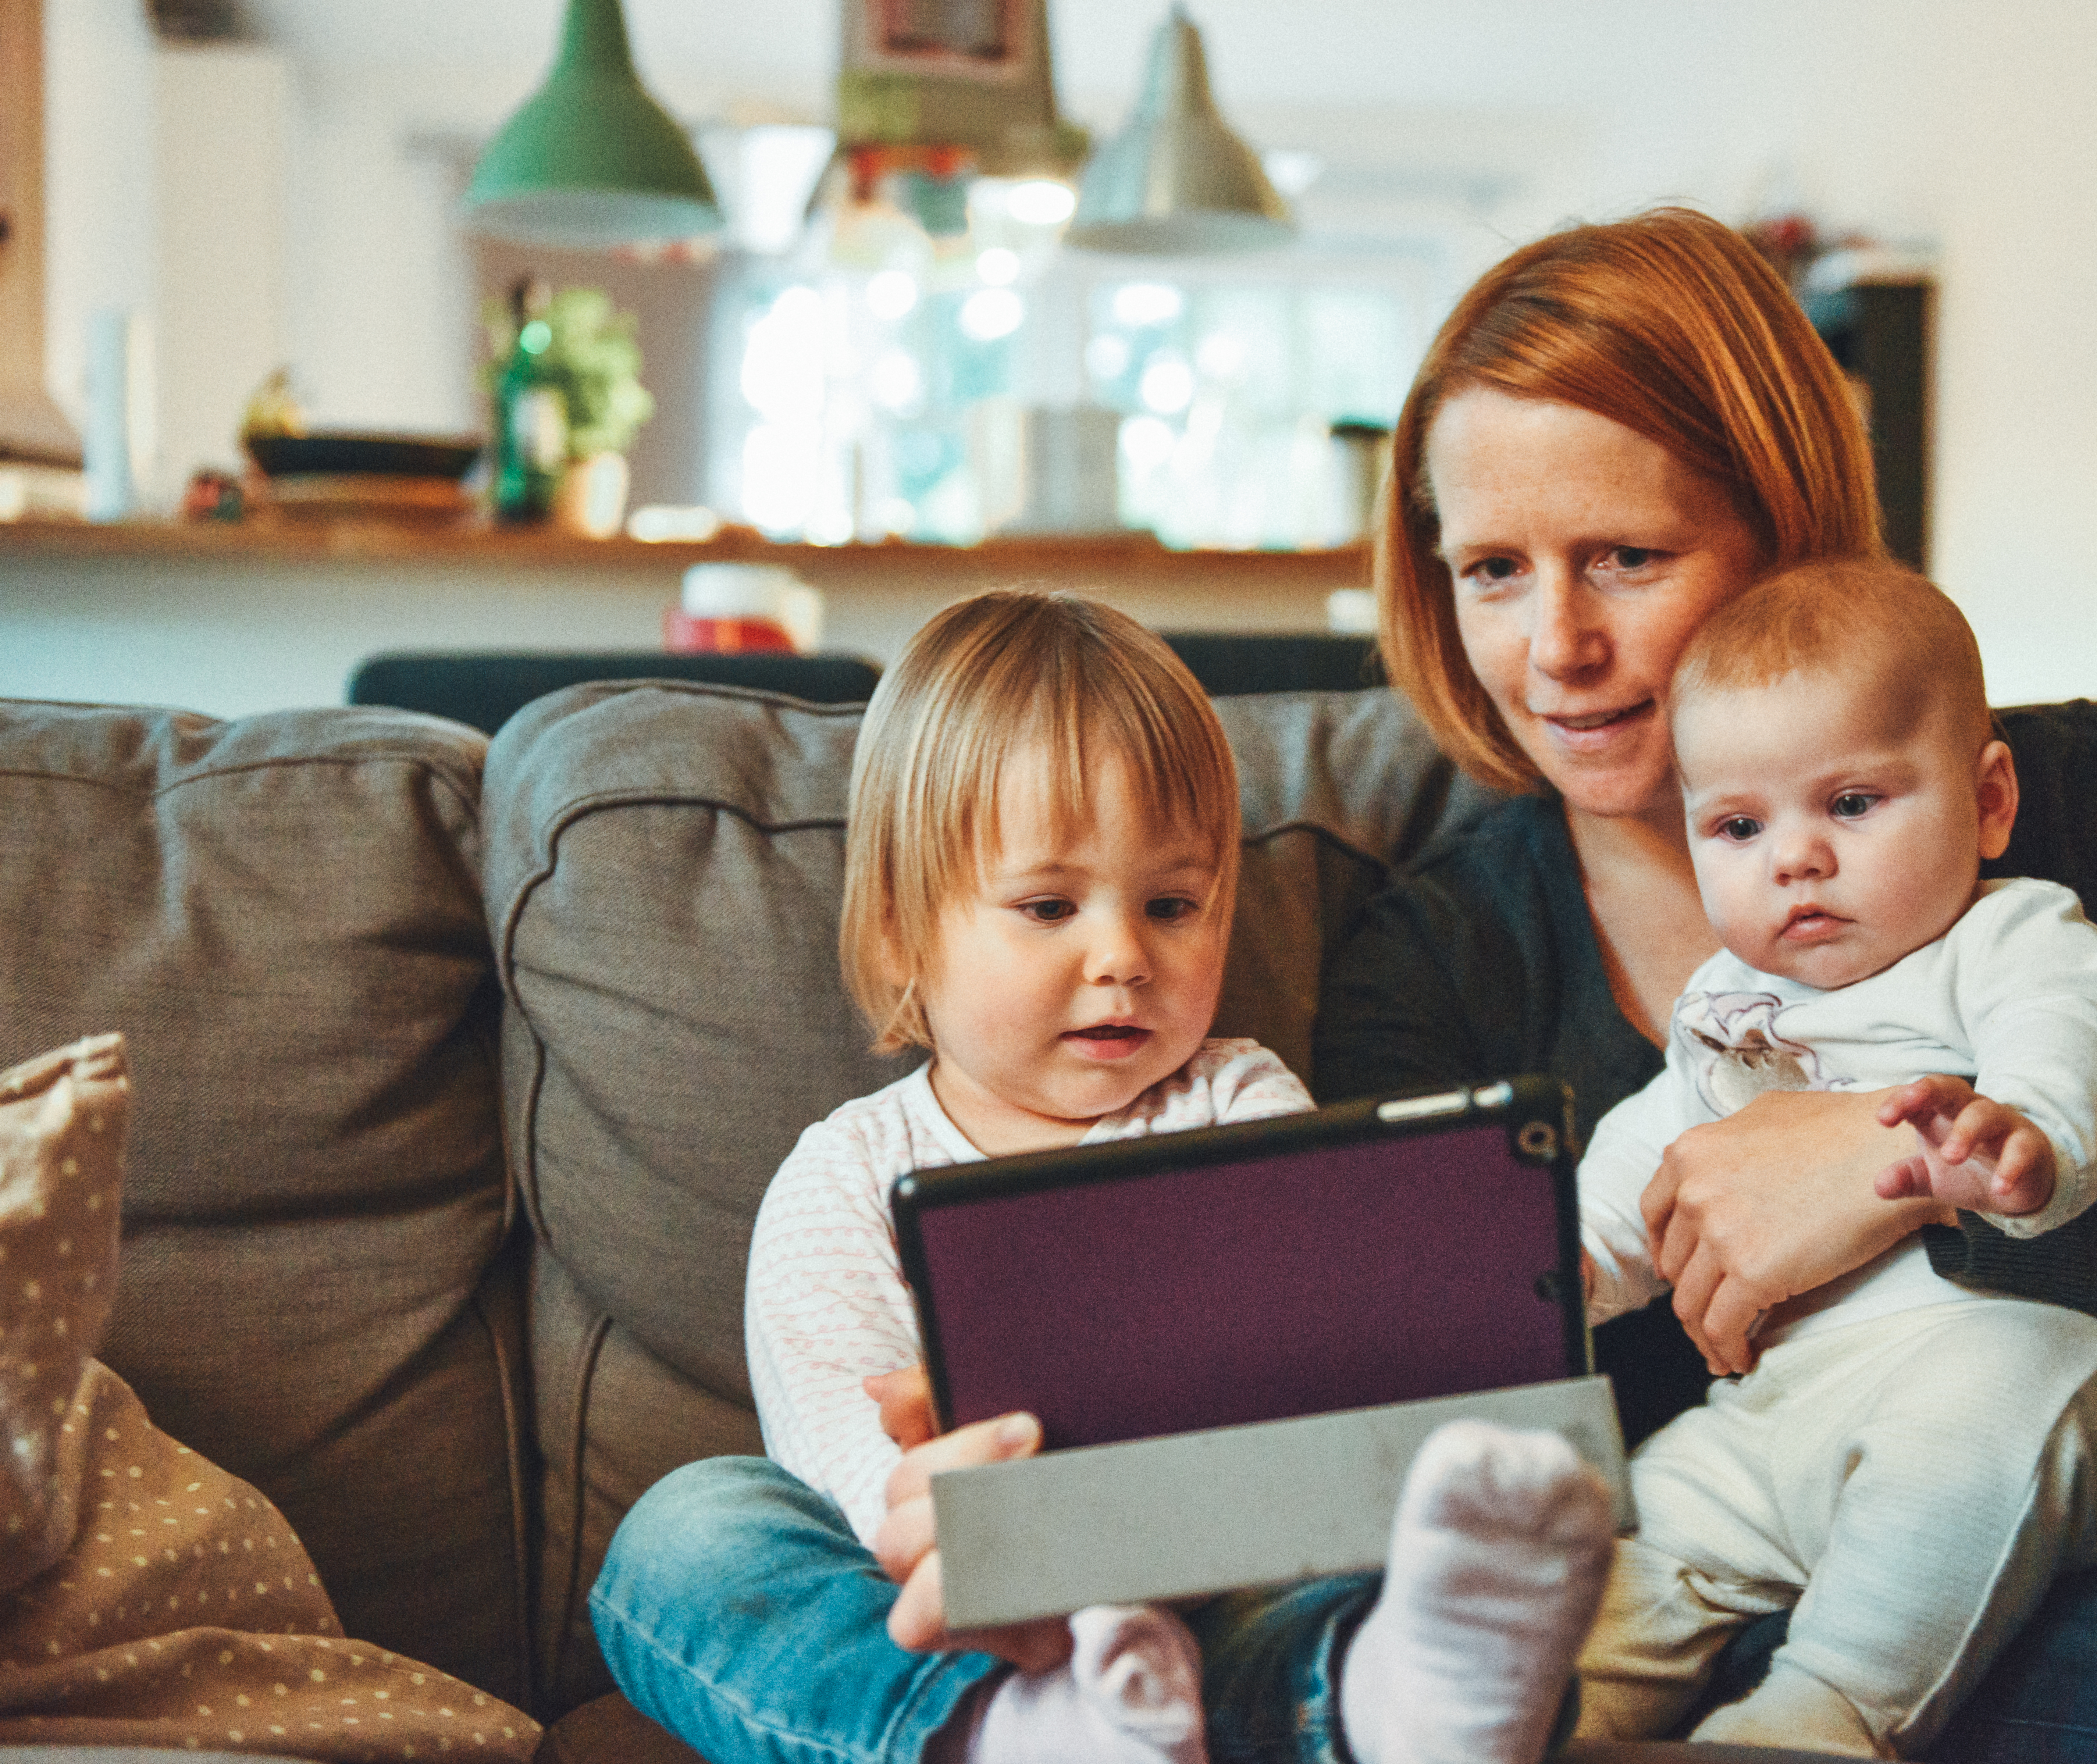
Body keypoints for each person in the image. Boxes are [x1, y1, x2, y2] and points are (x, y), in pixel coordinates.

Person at [1314, 206, 2097, 1758]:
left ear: (1784, 531)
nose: (1557, 648)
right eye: (1494, 573)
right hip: (1744, 1592)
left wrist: (1905, 1161)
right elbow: (1418, 1387)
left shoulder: (2062, 804)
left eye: (1625, 560)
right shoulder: (1437, 955)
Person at [589, 589, 1619, 1764]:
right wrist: (994, 1542)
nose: (1124, 957)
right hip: (967, 1618)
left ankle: (1394, 1703)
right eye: (1048, 907)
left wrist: (1467, 1299)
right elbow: (849, 1471)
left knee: (1407, 1547)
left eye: (1173, 905)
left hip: (1221, 1584)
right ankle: (1017, 1735)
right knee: (687, 1533)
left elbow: (1321, 1364)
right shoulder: (844, 1175)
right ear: (897, 934)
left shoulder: (1239, 1102)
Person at [1563, 557, 2097, 1756]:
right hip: (1792, 1408)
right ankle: (1537, 1715)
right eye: (1737, 825)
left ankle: (1817, 1718)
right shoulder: (1729, 1000)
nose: (1795, 859)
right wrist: (1563, 1264)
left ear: (1986, 802)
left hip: (2067, 1370)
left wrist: (2026, 1132)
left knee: (1966, 1421)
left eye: (1852, 805)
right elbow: (1653, 1149)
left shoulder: (2006, 932)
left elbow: (2081, 1033)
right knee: (1646, 1514)